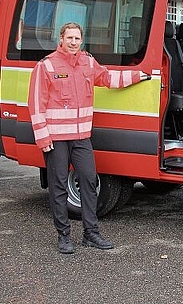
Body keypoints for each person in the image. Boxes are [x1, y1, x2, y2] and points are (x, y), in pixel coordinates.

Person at [28, 22, 150, 254]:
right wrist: (43, 138)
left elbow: (108, 79)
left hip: (81, 136)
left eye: (77, 38)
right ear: (61, 39)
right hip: (56, 139)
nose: (74, 42)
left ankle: (90, 233)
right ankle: (63, 235)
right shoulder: (46, 66)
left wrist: (140, 75)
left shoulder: (87, 62)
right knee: (59, 186)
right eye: (70, 38)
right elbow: (36, 105)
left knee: (89, 181)